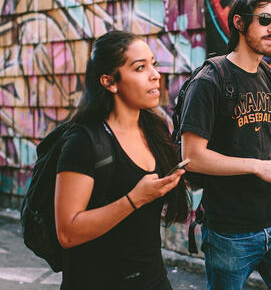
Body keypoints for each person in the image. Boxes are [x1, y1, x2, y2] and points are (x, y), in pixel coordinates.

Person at [180, 0, 271, 289]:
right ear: (239, 23)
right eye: (265, 19)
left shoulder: (267, 74)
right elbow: (192, 157)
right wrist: (257, 166)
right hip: (231, 232)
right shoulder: (210, 81)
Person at [54, 30, 190, 290]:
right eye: (140, 68)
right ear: (109, 82)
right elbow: (67, 232)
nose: (155, 75)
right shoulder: (84, 141)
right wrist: (135, 198)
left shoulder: (155, 129)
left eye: (153, 64)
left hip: (152, 280)